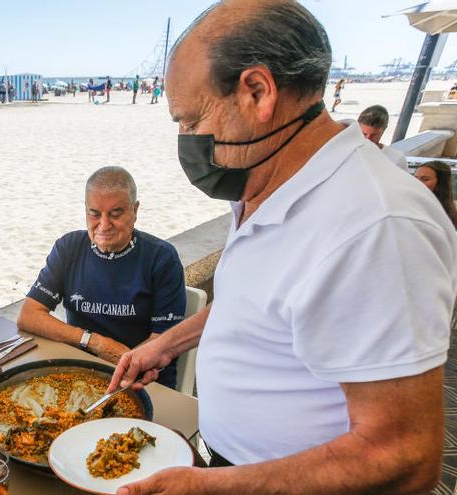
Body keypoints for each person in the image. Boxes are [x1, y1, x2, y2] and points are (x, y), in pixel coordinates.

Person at [109, 1, 456, 494]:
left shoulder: (377, 228)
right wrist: (168, 342)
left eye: (189, 120)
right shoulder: (267, 187)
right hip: (233, 461)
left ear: (256, 91)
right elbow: (261, 305)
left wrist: (212, 488)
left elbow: (403, 456)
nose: (185, 139)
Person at [17, 166, 186, 389]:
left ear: (135, 211)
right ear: (85, 210)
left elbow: (165, 341)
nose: (104, 225)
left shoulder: (161, 258)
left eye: (116, 214)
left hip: (141, 380)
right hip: (80, 373)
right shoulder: (69, 247)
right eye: (95, 214)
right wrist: (94, 341)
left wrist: (127, 363)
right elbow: (28, 316)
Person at [357, 104, 409, 172]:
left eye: (374, 135)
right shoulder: (347, 152)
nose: (368, 138)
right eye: (364, 134)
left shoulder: (396, 159)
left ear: (384, 130)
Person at [415, 160, 457, 229]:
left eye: (425, 179)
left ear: (440, 184)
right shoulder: (412, 205)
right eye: (415, 178)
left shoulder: (443, 215)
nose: (417, 183)